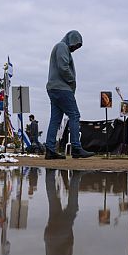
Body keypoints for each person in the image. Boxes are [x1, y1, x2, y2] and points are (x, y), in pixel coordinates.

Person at [45, 30, 94, 159]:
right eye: (75, 45)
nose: (75, 48)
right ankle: (76, 148)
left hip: (53, 88)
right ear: (70, 40)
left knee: (55, 119)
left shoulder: (60, 47)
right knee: (74, 115)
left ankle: (50, 149)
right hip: (62, 88)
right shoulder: (62, 46)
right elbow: (63, 67)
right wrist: (72, 80)